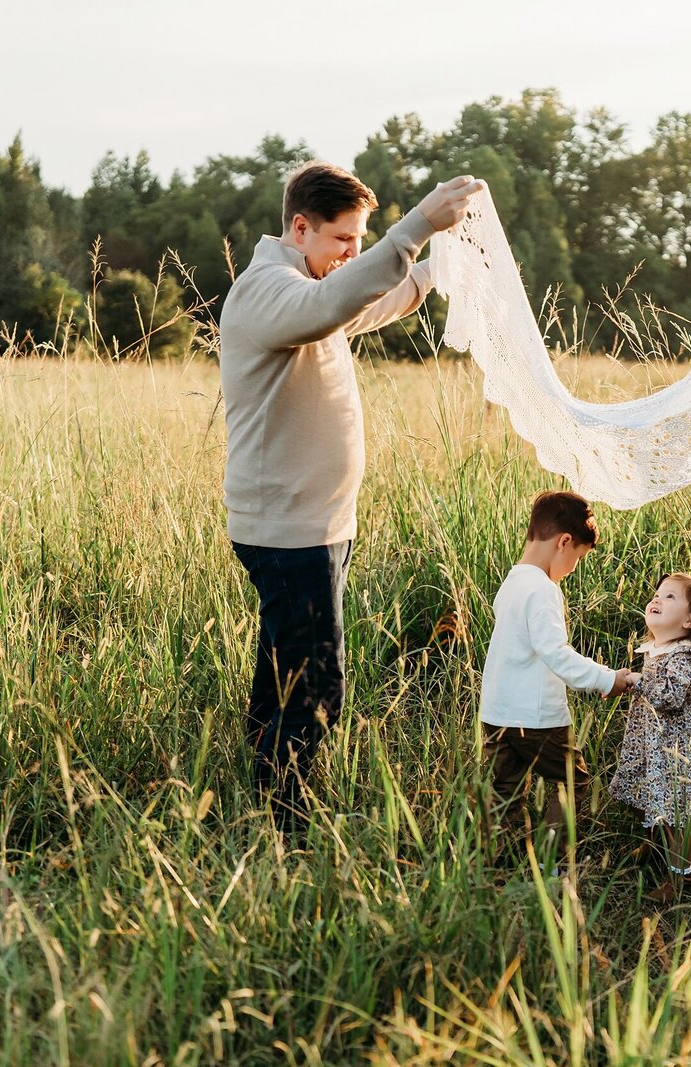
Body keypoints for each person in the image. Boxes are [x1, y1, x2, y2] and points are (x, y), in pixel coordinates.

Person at [220, 161, 484, 831]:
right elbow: (332, 306)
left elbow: (372, 299)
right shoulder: (268, 292)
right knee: (315, 688)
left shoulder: (312, 282)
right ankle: (290, 829)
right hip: (287, 531)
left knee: (284, 675)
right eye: (344, 239)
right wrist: (416, 227)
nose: (353, 255)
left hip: (319, 526)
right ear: (300, 227)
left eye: (362, 243)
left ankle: (267, 808)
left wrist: (433, 268)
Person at [480, 491, 635, 864]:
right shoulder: (543, 590)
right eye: (578, 557)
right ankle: (550, 863)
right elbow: (556, 653)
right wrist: (606, 678)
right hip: (536, 718)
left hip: (496, 712)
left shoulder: (513, 582)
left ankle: (489, 861)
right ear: (564, 541)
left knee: (505, 788)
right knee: (572, 781)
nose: (575, 566)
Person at [609, 572, 691, 904]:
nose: (657, 599)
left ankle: (682, 876)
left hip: (680, 755)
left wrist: (634, 680)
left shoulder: (686, 657)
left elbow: (668, 696)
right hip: (654, 749)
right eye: (657, 594)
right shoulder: (658, 650)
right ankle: (653, 842)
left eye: (670, 597)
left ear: (690, 620)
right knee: (643, 795)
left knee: (675, 817)